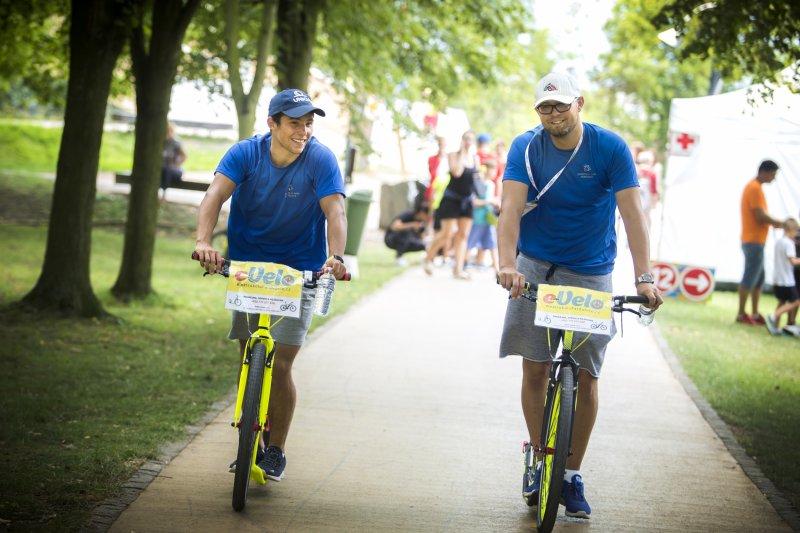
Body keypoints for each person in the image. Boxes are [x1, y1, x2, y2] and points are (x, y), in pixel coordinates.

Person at [497, 72, 662, 519]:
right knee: (534, 368)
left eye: (560, 106)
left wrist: (644, 276)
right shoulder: (525, 148)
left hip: (590, 272)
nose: (552, 115)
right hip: (533, 267)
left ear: (580, 104)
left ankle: (570, 475)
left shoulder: (609, 148)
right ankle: (537, 456)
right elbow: (509, 207)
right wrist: (507, 264)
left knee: (586, 377)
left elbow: (633, 213)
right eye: (544, 107)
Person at [193, 88, 347, 482]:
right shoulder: (245, 153)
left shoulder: (320, 158)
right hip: (249, 266)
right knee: (250, 353)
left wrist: (336, 257)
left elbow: (335, 210)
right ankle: (248, 444)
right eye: (295, 123)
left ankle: (275, 449)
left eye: (309, 123)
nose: (304, 131)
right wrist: (203, 242)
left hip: (301, 270)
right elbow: (214, 196)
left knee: (281, 365)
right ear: (272, 124)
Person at [424, 130, 480, 279]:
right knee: (447, 233)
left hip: (467, 201)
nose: (468, 142)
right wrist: (462, 153)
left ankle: (458, 269)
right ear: (462, 140)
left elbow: (476, 179)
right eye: (466, 139)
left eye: (470, 140)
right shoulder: (453, 155)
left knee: (463, 235)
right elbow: (456, 172)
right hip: (451, 199)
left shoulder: (475, 158)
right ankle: (428, 258)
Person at [736, 159, 783, 325]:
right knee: (750, 277)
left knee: (759, 278)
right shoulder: (754, 188)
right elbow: (760, 216)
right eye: (773, 174)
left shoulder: (756, 188)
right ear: (765, 172)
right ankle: (741, 314)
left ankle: (755, 313)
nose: (774, 178)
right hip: (753, 241)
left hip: (755, 240)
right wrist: (781, 223)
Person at [765, 218, 800, 336]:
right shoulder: (789, 243)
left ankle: (774, 327)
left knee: (782, 301)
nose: (796, 234)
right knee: (795, 302)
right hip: (787, 281)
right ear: (791, 230)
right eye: (796, 231)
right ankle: (773, 316)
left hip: (777, 279)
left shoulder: (779, 242)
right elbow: (793, 261)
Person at [466, 162, 499, 273]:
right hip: (478, 218)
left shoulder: (491, 184)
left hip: (488, 218)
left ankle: (497, 270)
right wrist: (489, 201)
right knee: (471, 242)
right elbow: (474, 202)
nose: (493, 172)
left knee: (492, 243)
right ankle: (464, 264)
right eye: (491, 169)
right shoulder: (478, 183)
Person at [385, 199, 429, 266]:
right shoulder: (409, 214)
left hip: (407, 241)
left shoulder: (421, 223)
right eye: (427, 214)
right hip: (391, 238)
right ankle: (398, 258)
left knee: (424, 245)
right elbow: (394, 226)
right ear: (422, 212)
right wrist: (412, 225)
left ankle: (427, 259)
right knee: (406, 232)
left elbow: (421, 237)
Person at [160, 123, 187, 197]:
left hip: (175, 170)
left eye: (169, 131)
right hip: (163, 169)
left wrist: (176, 164)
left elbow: (184, 156)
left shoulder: (176, 143)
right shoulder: (162, 142)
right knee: (163, 170)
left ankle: (163, 196)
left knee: (166, 170)